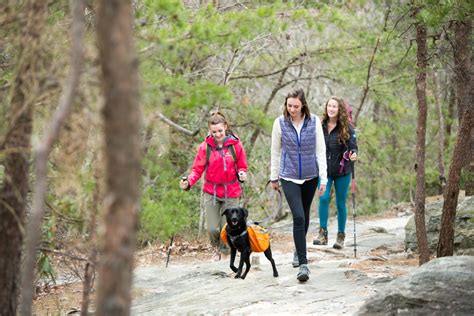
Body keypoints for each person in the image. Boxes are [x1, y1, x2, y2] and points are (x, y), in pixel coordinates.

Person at [270, 88, 327, 282]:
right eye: (289, 105)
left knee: (305, 215)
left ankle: (298, 249)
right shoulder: (279, 123)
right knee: (299, 217)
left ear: (303, 105)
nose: (292, 109)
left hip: (311, 176)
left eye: (295, 106)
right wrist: (273, 177)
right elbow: (275, 152)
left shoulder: (314, 122)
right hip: (289, 176)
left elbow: (321, 151)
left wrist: (324, 178)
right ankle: (303, 264)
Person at [180, 111, 248, 261]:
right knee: (211, 228)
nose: (217, 134)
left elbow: (242, 166)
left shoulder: (235, 145)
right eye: (214, 131)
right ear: (210, 130)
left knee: (227, 227)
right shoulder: (205, 147)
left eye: (220, 131)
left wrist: (242, 174)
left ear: (225, 127)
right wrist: (188, 182)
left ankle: (225, 254)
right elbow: (197, 170)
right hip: (211, 191)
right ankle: (217, 248)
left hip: (231, 191)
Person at [313, 96, 358, 249]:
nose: (331, 109)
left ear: (339, 110)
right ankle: (323, 233)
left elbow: (353, 147)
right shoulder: (320, 125)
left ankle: (340, 235)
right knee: (323, 198)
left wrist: (354, 154)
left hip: (342, 171)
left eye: (334, 106)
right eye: (329, 106)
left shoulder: (347, 127)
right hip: (324, 171)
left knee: (340, 203)